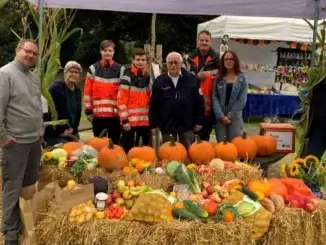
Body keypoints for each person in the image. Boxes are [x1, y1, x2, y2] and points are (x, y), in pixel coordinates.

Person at [0, 39, 43, 245]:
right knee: (12, 185)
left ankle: (27, 220)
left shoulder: (33, 78)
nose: (30, 56)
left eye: (34, 53)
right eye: (27, 51)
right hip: (15, 143)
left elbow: (35, 108)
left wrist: (39, 132)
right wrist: (3, 138)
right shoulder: (5, 74)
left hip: (34, 140)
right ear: (18, 50)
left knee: (28, 185)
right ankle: (10, 231)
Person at [150, 52, 205, 149]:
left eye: (176, 62)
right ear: (166, 64)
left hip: (187, 124)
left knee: (190, 152)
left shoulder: (191, 79)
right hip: (167, 125)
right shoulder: (159, 81)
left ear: (181, 64)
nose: (173, 65)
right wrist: (153, 124)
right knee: (170, 154)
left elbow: (199, 102)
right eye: (170, 63)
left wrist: (199, 121)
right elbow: (154, 105)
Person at [84, 40, 125, 144]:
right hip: (98, 116)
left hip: (114, 116)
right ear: (100, 52)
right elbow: (87, 92)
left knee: (114, 145)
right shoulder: (93, 69)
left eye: (110, 50)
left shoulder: (120, 69)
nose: (107, 53)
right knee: (98, 145)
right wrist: (88, 111)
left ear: (113, 52)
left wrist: (122, 114)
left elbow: (123, 94)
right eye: (105, 50)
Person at [117, 48, 151, 153]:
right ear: (133, 60)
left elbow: (150, 99)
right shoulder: (127, 76)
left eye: (143, 60)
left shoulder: (147, 77)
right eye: (138, 59)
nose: (140, 62)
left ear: (146, 61)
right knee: (128, 152)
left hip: (145, 123)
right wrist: (124, 121)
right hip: (130, 123)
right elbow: (121, 100)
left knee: (143, 152)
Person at [188, 30, 219, 141]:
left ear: (211, 42)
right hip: (192, 104)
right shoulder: (189, 59)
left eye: (207, 40)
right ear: (197, 41)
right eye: (202, 40)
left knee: (204, 138)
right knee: (190, 136)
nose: (204, 43)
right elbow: (185, 81)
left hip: (209, 106)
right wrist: (197, 77)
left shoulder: (218, 60)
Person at [212, 51, 248, 142]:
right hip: (220, 117)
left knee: (235, 144)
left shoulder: (242, 79)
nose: (228, 61)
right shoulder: (218, 78)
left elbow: (242, 100)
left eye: (231, 59)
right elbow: (214, 97)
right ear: (222, 62)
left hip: (235, 117)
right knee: (221, 145)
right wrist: (220, 115)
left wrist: (230, 116)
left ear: (235, 61)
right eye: (226, 59)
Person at [44, 61, 83, 146]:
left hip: (72, 132)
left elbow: (78, 113)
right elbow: (50, 113)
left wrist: (73, 128)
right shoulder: (56, 88)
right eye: (71, 71)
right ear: (65, 73)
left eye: (76, 72)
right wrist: (62, 130)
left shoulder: (77, 91)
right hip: (56, 134)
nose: (73, 74)